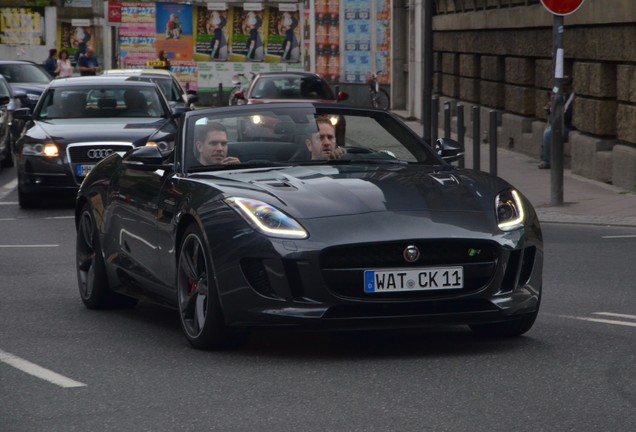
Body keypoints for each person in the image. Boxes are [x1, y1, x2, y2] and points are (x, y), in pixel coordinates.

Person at [539, 75, 575, 169]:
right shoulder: (561, 95)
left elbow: (566, 116)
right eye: (561, 86)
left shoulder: (571, 97)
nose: (562, 88)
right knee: (547, 130)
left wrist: (556, 108)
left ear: (569, 86)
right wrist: (550, 108)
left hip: (569, 127)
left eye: (565, 85)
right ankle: (544, 155)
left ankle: (548, 161)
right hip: (561, 124)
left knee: (548, 134)